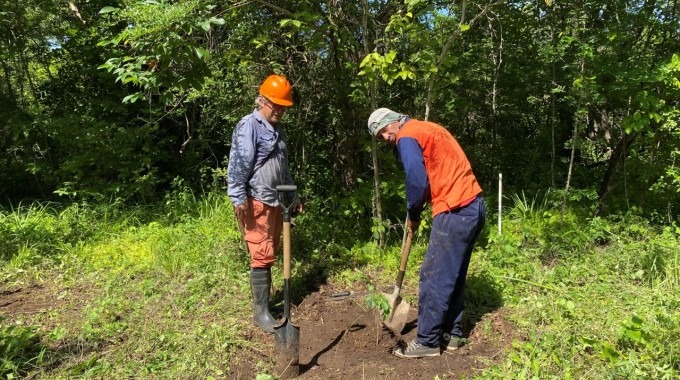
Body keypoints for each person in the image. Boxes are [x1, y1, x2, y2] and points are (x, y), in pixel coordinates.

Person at [367, 108, 486, 358]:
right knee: (453, 275)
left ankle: (427, 342)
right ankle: (451, 335)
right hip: (473, 206)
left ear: (392, 122)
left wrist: (413, 211)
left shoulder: (406, 136)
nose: (386, 138)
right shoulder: (428, 128)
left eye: (383, 132)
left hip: (455, 209)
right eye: (380, 137)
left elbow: (417, 180)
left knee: (433, 276)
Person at [227, 74, 302, 333]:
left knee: (269, 252)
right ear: (262, 100)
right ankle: (261, 313)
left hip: (275, 201)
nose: (280, 110)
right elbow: (238, 163)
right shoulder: (249, 125)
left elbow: (284, 168)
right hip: (255, 200)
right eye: (276, 105)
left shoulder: (278, 130)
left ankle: (267, 304)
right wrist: (238, 197)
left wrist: (294, 196)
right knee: (260, 253)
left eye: (283, 106)